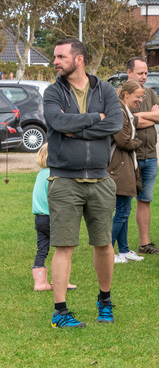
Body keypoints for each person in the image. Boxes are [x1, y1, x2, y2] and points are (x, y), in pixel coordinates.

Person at [43, 39, 122, 328]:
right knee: (64, 246)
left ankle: (104, 302)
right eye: (55, 56)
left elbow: (114, 123)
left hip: (100, 179)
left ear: (78, 60)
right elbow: (58, 124)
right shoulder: (53, 92)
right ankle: (60, 312)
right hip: (64, 180)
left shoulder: (106, 89)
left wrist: (78, 128)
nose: (55, 61)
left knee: (103, 244)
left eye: (60, 56)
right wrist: (92, 119)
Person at [124, 57, 159, 255]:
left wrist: (139, 118)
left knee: (145, 200)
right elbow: (124, 121)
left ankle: (145, 244)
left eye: (146, 73)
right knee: (122, 202)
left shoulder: (150, 93)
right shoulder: (121, 95)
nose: (144, 77)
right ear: (129, 73)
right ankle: (120, 247)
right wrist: (151, 118)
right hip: (127, 157)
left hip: (150, 156)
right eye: (140, 73)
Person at [31, 145, 77, 291]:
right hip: (53, 218)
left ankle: (39, 283)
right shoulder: (54, 176)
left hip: (39, 219)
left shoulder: (40, 174)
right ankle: (61, 281)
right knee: (64, 249)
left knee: (42, 250)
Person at [109, 80, 145, 264]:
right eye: (138, 96)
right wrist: (137, 143)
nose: (140, 99)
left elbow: (131, 138)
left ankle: (123, 250)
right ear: (126, 94)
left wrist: (134, 141)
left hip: (125, 164)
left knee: (124, 209)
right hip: (119, 166)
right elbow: (125, 141)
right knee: (122, 210)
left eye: (142, 96)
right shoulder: (118, 111)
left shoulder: (126, 112)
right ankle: (108, 250)